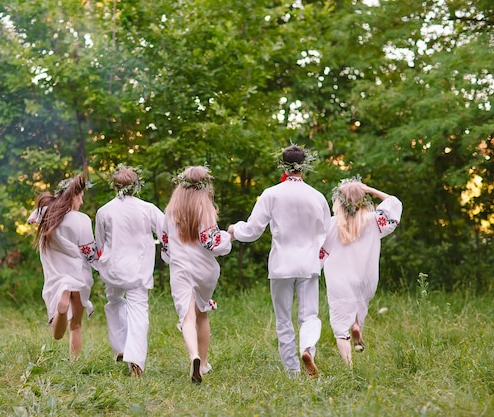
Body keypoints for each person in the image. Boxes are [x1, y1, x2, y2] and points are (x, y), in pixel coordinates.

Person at [228, 144, 330, 377]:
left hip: (281, 263)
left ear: (283, 165)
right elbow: (328, 232)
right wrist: (320, 259)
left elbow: (253, 230)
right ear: (304, 165)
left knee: (284, 320)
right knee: (309, 315)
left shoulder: (271, 194)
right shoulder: (317, 196)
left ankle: (292, 371)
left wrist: (235, 230)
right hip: (308, 263)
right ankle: (307, 350)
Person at [320, 177, 402, 366]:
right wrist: (369, 189)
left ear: (339, 201)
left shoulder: (332, 224)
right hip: (366, 278)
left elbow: (320, 251)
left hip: (340, 281)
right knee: (359, 306)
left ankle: (349, 367)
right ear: (364, 199)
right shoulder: (375, 221)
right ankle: (356, 325)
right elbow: (394, 203)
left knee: (340, 325)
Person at [161, 165, 232, 384]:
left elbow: (165, 245)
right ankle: (203, 362)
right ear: (205, 185)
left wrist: (170, 259)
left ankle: (193, 355)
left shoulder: (170, 211)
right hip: (204, 270)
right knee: (202, 313)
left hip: (181, 268)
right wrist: (228, 237)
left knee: (187, 316)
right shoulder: (206, 209)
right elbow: (211, 243)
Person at [94, 165, 164, 377]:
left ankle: (121, 347)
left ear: (115, 187)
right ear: (136, 186)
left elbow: (99, 243)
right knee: (138, 312)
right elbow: (166, 231)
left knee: (114, 302)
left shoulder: (104, 211)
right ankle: (135, 360)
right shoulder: (148, 208)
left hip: (112, 269)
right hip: (138, 270)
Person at [31, 174, 99, 359]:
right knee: (75, 325)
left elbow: (32, 218)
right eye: (81, 196)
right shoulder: (82, 219)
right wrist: (103, 260)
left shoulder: (46, 213)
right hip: (79, 275)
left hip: (57, 276)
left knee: (56, 334)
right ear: (73, 196)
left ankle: (63, 299)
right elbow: (88, 251)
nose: (82, 201)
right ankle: (75, 364)